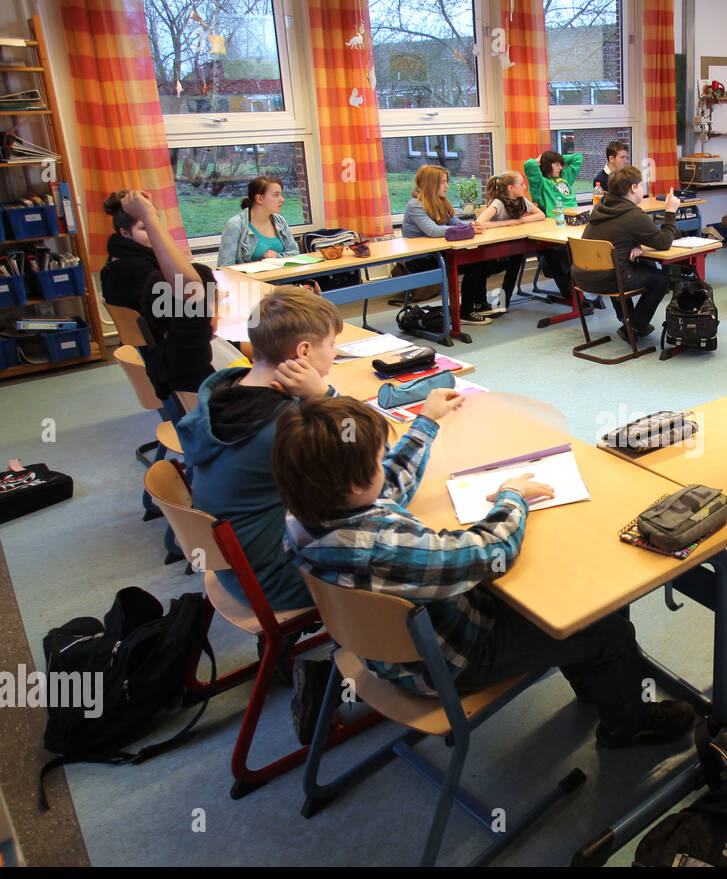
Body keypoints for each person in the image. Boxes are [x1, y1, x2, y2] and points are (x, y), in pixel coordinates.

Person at [272, 395, 698, 749]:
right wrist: (513, 496)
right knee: (604, 625)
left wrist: (424, 425)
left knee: (566, 598)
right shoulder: (384, 548)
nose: (385, 469)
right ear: (352, 484)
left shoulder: (303, 520)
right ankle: (626, 723)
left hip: (377, 650)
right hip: (449, 661)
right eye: (378, 461)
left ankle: (596, 683)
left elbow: (387, 487)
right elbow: (490, 550)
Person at [177, 285, 342, 616]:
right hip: (278, 579)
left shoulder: (227, 391)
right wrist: (325, 397)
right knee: (400, 546)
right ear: (304, 352)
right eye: (332, 345)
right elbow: (365, 456)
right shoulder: (284, 425)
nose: (336, 353)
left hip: (240, 567)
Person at [100, 189, 226, 402]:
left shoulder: (115, 265)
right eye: (145, 228)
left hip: (156, 359)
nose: (153, 233)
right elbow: (190, 292)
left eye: (154, 227)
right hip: (182, 373)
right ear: (125, 233)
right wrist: (209, 302)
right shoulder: (143, 273)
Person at [575, 165, 679, 342]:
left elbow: (617, 235)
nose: (642, 189)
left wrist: (637, 244)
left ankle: (627, 320)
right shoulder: (633, 214)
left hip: (582, 276)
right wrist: (670, 211)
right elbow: (663, 242)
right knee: (660, 279)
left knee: (624, 267)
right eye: (641, 185)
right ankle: (634, 326)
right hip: (609, 279)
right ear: (633, 188)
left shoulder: (601, 206)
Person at [402, 165, 488, 323]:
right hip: (420, 260)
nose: (447, 186)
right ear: (431, 184)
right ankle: (465, 312)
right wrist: (465, 229)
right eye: (443, 182)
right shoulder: (414, 205)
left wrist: (471, 226)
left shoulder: (441, 202)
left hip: (439, 255)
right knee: (473, 264)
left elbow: (456, 223)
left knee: (477, 259)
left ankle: (479, 304)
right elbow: (433, 231)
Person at [458, 171, 542, 323]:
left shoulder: (521, 200)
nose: (525, 187)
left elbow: (540, 215)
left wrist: (521, 221)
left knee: (517, 258)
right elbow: (480, 223)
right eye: (521, 184)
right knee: (481, 268)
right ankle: (480, 303)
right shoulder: (498, 203)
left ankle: (504, 302)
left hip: (511, 244)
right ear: (510, 188)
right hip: (492, 248)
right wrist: (506, 223)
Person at [523, 149, 586, 309]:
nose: (560, 166)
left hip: (575, 223)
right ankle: (571, 294)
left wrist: (557, 158)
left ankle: (582, 290)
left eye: (560, 164)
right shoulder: (541, 184)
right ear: (546, 165)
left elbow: (578, 158)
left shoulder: (564, 178)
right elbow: (528, 165)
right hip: (555, 226)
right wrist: (541, 160)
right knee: (560, 257)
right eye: (556, 164)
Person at [217, 176, 299, 267]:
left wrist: (277, 256)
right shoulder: (234, 225)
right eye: (276, 195)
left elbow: (295, 253)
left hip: (282, 278)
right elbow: (224, 267)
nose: (282, 199)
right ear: (259, 199)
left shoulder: (280, 221)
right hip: (248, 280)